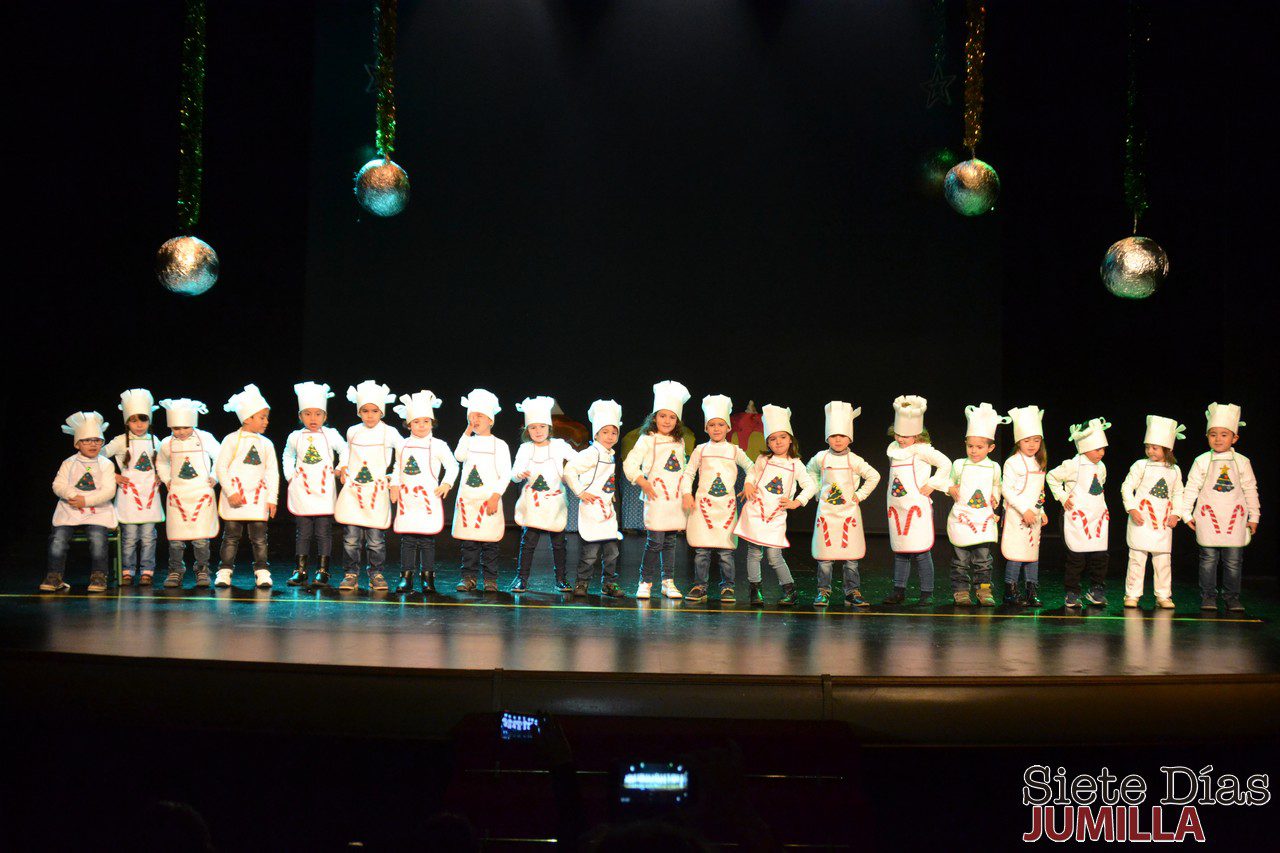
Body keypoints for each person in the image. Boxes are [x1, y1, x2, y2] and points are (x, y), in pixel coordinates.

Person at [1180, 403, 1260, 612]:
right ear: (1207, 436)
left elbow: (1250, 489)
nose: (1218, 439)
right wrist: (1186, 513)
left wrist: (1254, 516)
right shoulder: (1201, 461)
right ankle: (1208, 596)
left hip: (1235, 519)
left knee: (1233, 562)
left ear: (1234, 438)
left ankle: (1232, 597)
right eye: (1213, 434)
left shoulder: (1242, 462)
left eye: (1224, 435)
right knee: (1208, 560)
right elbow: (1191, 488)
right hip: (1208, 518)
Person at [734, 405, 816, 606]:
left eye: (782, 437)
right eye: (772, 439)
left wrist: (797, 502)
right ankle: (755, 591)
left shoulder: (796, 464)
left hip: (776, 516)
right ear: (767, 442)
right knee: (754, 553)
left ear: (790, 439)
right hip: (756, 511)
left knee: (774, 556)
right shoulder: (763, 459)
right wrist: (748, 484)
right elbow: (752, 473)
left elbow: (810, 485)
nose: (778, 442)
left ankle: (790, 590)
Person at [680, 394, 753, 603]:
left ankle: (727, 587)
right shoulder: (700, 450)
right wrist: (686, 493)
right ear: (706, 428)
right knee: (701, 551)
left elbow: (751, 467)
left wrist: (749, 483)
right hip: (703, 506)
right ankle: (700, 586)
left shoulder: (734, 450)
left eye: (720, 424)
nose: (716, 428)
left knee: (725, 552)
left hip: (726, 507)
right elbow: (688, 473)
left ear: (728, 427)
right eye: (712, 425)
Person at [623, 380, 692, 600]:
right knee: (654, 543)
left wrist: (685, 493)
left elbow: (682, 469)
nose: (667, 421)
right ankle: (645, 582)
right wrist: (642, 482)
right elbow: (630, 464)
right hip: (655, 497)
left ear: (677, 421)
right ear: (654, 417)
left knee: (670, 542)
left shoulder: (679, 441)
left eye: (672, 417)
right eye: (663, 416)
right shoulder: (647, 439)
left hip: (674, 499)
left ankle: (667, 582)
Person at [806, 401, 880, 607]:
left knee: (851, 558)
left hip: (848, 514)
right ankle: (823, 591)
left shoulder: (854, 460)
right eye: (833, 436)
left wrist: (861, 494)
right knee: (825, 557)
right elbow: (809, 472)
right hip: (827, 514)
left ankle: (852, 592)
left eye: (842, 436)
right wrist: (816, 491)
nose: (838, 440)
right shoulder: (821, 458)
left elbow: (874, 475)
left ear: (849, 438)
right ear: (827, 437)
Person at [883, 395, 950, 605]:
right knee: (901, 551)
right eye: (898, 434)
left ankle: (927, 593)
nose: (901, 439)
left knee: (921, 552)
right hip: (897, 509)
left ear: (917, 434)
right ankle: (899, 591)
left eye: (906, 435)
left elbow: (945, 464)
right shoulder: (894, 451)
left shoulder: (922, 450)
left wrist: (932, 484)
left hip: (916, 509)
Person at [334, 379, 401, 591]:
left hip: (376, 492)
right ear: (359, 412)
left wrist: (395, 481)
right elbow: (347, 452)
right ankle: (351, 573)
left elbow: (403, 456)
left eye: (374, 411)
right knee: (351, 539)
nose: (370, 415)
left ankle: (376, 573)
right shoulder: (353, 431)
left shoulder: (389, 432)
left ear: (381, 412)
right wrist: (342, 466)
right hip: (354, 491)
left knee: (375, 540)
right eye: (365, 411)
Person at [40, 412, 117, 593]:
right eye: (87, 440)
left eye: (97, 440)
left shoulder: (106, 464)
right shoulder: (68, 463)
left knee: (98, 538)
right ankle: (54, 576)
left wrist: (86, 500)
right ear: (77, 444)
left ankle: (99, 575)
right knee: (58, 539)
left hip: (97, 510)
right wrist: (72, 496)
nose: (93, 444)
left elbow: (109, 491)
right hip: (70, 508)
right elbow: (58, 485)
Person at [391, 390, 458, 593]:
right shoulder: (402, 445)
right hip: (408, 499)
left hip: (428, 499)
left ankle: (428, 578)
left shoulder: (438, 445)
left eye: (426, 421)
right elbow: (397, 467)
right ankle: (406, 577)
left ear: (432, 423)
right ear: (408, 424)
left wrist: (446, 483)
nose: (421, 425)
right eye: (417, 421)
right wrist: (394, 485)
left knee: (427, 541)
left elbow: (453, 466)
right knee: (408, 540)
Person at [510, 395, 579, 593]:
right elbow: (513, 474)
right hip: (533, 503)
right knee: (528, 542)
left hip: (555, 501)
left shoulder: (559, 445)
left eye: (542, 426)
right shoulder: (525, 448)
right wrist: (519, 474)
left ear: (549, 427)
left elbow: (579, 461)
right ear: (527, 430)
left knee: (559, 543)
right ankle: (521, 579)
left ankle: (561, 579)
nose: (538, 431)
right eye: (533, 427)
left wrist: (568, 474)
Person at [943, 403, 1009, 606]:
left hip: (983, 520)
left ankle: (984, 590)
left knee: (983, 561)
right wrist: (950, 488)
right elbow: (948, 481)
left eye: (979, 447)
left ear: (991, 448)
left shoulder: (994, 467)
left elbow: (997, 485)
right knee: (960, 561)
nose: (973, 450)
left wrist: (995, 496)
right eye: (970, 446)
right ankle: (961, 591)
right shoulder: (959, 464)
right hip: (962, 519)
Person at [282, 381, 347, 587]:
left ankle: (323, 571)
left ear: (324, 417)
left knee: (323, 532)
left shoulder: (331, 434)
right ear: (300, 416)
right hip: (302, 490)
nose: (313, 418)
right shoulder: (295, 437)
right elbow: (287, 456)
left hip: (324, 490)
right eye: (308, 414)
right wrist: (290, 476)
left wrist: (341, 467)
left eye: (318, 414)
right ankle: (300, 570)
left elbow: (344, 450)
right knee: (303, 533)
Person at [215, 384, 279, 589]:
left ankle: (262, 571)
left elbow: (272, 472)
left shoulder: (266, 444)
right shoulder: (231, 440)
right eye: (262, 417)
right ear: (247, 418)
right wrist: (230, 492)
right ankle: (224, 571)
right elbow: (221, 468)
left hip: (258, 499)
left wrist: (272, 498)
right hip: (236, 497)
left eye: (266, 417)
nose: (266, 421)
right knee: (231, 537)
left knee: (259, 539)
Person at [1120, 415, 1185, 609]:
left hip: (1162, 523)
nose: (1150, 451)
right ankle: (1132, 594)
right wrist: (1132, 508)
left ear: (1167, 449)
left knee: (1163, 561)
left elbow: (1178, 493)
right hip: (1141, 520)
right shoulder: (1140, 465)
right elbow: (1127, 487)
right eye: (1147, 447)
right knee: (1137, 559)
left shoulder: (1174, 470)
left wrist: (1176, 513)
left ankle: (1163, 596)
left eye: (1154, 447)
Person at [1047, 417, 1112, 609]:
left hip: (1097, 517)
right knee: (1076, 558)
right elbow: (1052, 477)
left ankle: (1096, 589)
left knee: (1100, 556)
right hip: (1076, 517)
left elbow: (1100, 486)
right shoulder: (1072, 465)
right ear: (1084, 448)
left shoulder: (1101, 466)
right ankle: (1072, 592)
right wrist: (1063, 497)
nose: (1102, 453)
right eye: (1097, 449)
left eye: (1103, 449)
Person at [156, 398, 220, 588]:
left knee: (200, 539)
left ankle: (202, 569)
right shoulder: (167, 443)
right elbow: (161, 462)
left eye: (185, 427)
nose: (181, 432)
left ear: (193, 423)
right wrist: (166, 479)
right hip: (178, 496)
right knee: (176, 539)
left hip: (200, 493)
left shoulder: (205, 438)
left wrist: (214, 476)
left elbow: (220, 456)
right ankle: (175, 570)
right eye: (176, 428)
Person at [565, 399, 625, 597]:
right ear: (596, 434)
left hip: (607, 510)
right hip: (592, 508)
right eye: (605, 432)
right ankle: (582, 583)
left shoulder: (609, 454)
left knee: (612, 552)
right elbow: (570, 470)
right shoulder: (591, 453)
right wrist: (580, 491)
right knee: (590, 552)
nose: (610, 436)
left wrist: (610, 495)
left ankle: (609, 583)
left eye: (614, 432)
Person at [453, 389, 511, 592]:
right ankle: (468, 578)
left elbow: (505, 473)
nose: (475, 419)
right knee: (469, 544)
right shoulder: (468, 441)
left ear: (490, 420)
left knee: (490, 544)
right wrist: (467, 432)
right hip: (469, 501)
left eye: (479, 416)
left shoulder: (499, 445)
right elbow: (459, 456)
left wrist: (495, 496)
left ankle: (490, 579)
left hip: (488, 501)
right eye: (471, 416)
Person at [105, 388, 163, 586]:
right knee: (129, 537)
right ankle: (127, 570)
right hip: (129, 496)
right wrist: (113, 475)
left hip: (150, 496)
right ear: (127, 422)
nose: (139, 425)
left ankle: (147, 571)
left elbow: (165, 462)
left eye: (143, 420)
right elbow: (98, 457)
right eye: (134, 420)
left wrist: (160, 474)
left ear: (149, 421)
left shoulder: (155, 441)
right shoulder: (120, 441)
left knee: (148, 537)